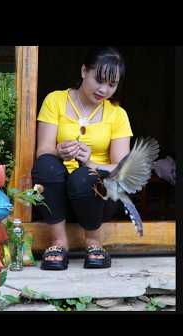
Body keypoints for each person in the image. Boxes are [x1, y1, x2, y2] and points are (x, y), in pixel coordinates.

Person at [32, 47, 133, 270]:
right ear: (83, 71)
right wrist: (60, 151)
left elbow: (122, 168)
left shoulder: (117, 115)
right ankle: (58, 242)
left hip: (96, 198)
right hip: (57, 196)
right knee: (45, 165)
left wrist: (90, 162)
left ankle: (94, 242)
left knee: (83, 177)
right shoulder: (55, 100)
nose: (104, 89)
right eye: (99, 80)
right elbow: (43, 150)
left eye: (112, 84)